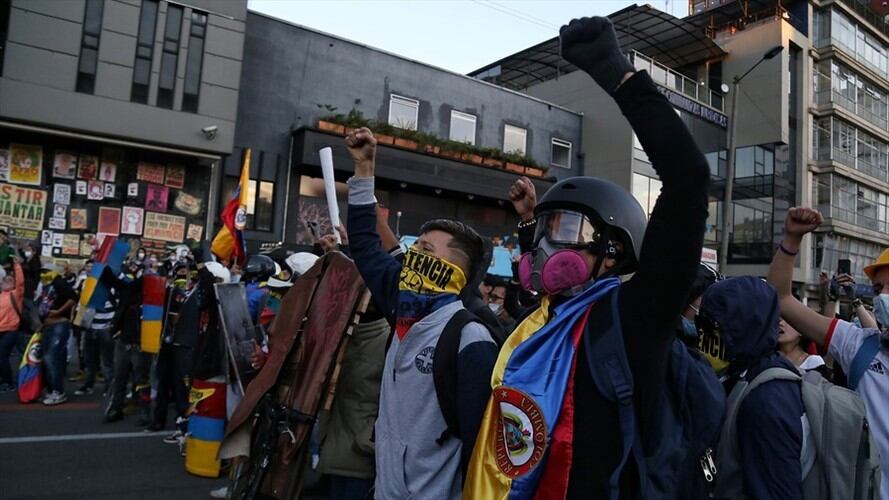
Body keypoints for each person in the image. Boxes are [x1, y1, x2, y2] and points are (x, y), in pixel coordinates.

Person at [464, 17, 722, 499]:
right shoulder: (542, 323)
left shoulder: (633, 320)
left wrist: (616, 73)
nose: (544, 247)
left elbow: (688, 178)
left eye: (564, 230)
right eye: (543, 231)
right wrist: (529, 223)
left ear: (614, 250)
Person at [345, 129, 499, 498]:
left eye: (426, 251)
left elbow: (481, 444)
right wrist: (365, 168)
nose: (413, 258)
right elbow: (365, 246)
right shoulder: (401, 303)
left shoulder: (471, 339)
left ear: (455, 271)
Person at [768, 206, 889, 500]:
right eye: (878, 287)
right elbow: (781, 298)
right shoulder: (859, 344)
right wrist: (791, 240)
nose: (883, 295)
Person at [699, 277, 805, 500]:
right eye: (702, 324)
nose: (703, 335)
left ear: (743, 326)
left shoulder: (766, 400)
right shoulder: (736, 378)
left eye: (712, 325)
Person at [101, 260, 151, 424]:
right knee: (119, 377)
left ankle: (145, 412)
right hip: (124, 340)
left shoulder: (153, 298)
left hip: (140, 343)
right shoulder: (128, 290)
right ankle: (116, 408)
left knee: (141, 380)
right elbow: (111, 279)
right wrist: (104, 261)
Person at [37, 265, 78, 405]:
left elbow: (73, 297)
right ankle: (52, 389)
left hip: (59, 325)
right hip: (48, 326)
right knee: (50, 358)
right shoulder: (45, 284)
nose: (42, 274)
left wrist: (59, 311)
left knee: (51, 357)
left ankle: (58, 391)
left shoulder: (59, 282)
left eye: (45, 271)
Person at [0, 257, 24, 392]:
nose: (7, 281)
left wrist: (17, 265)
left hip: (11, 330)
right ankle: (4, 379)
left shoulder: (16, 294)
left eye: (10, 280)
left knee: (2, 355)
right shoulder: (0, 295)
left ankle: (9, 382)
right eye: (5, 280)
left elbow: (20, 282)